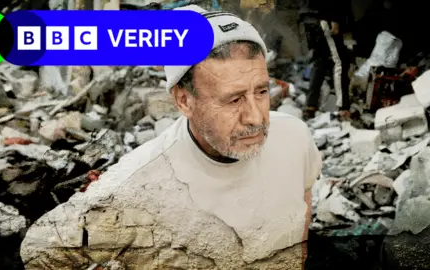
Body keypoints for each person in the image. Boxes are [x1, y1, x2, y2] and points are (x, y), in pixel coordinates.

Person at [20, 5, 322, 269]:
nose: (256, 118)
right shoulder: (138, 183)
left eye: (262, 91)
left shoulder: (293, 137)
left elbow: (301, 202)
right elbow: (39, 251)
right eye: (233, 100)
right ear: (184, 101)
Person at [299, 0, 353, 120]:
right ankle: (343, 107)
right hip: (323, 18)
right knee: (339, 62)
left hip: (308, 18)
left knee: (319, 62)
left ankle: (310, 106)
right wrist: (334, 19)